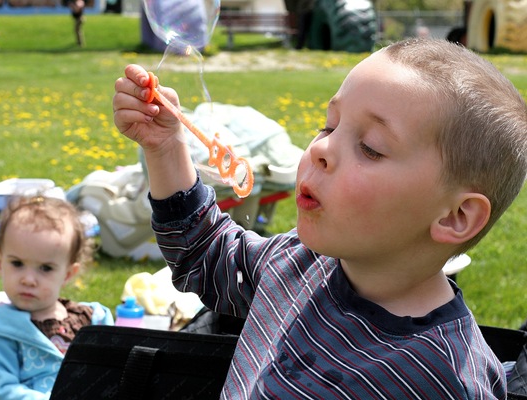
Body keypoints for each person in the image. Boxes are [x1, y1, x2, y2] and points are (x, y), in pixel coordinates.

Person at [112, 37, 527, 398]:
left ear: (455, 216)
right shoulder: (298, 262)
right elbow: (204, 255)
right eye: (328, 126)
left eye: (371, 147)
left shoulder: (442, 378)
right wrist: (165, 148)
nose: (320, 150)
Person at [0, 196, 114, 400]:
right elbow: (1, 393)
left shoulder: (92, 321)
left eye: (45, 268)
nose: (29, 279)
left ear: (68, 274)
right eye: (17, 264)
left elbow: (111, 373)